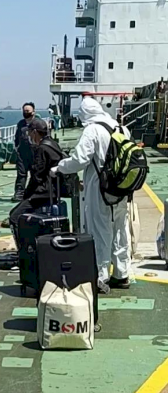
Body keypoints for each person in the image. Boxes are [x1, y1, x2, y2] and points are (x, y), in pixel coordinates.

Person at [51, 98, 131, 292]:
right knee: (120, 230)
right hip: (122, 188)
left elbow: (79, 160)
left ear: (84, 114)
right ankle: (122, 274)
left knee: (100, 230)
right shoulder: (122, 128)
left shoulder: (92, 130)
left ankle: (101, 277)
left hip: (100, 188)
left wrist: (59, 167)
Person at [9, 118, 63, 248]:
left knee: (15, 217)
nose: (28, 136)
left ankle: (25, 250)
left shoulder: (42, 149)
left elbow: (37, 176)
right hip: (54, 191)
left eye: (29, 133)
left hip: (42, 193)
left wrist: (26, 195)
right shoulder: (53, 144)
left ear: (34, 132)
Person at [13, 103, 37, 202]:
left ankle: (34, 193)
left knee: (35, 174)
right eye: (24, 111)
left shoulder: (38, 123)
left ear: (33, 112)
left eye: (28, 111)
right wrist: (17, 147)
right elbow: (17, 137)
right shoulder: (21, 124)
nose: (25, 113)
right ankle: (19, 193)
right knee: (21, 174)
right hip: (22, 153)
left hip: (35, 153)